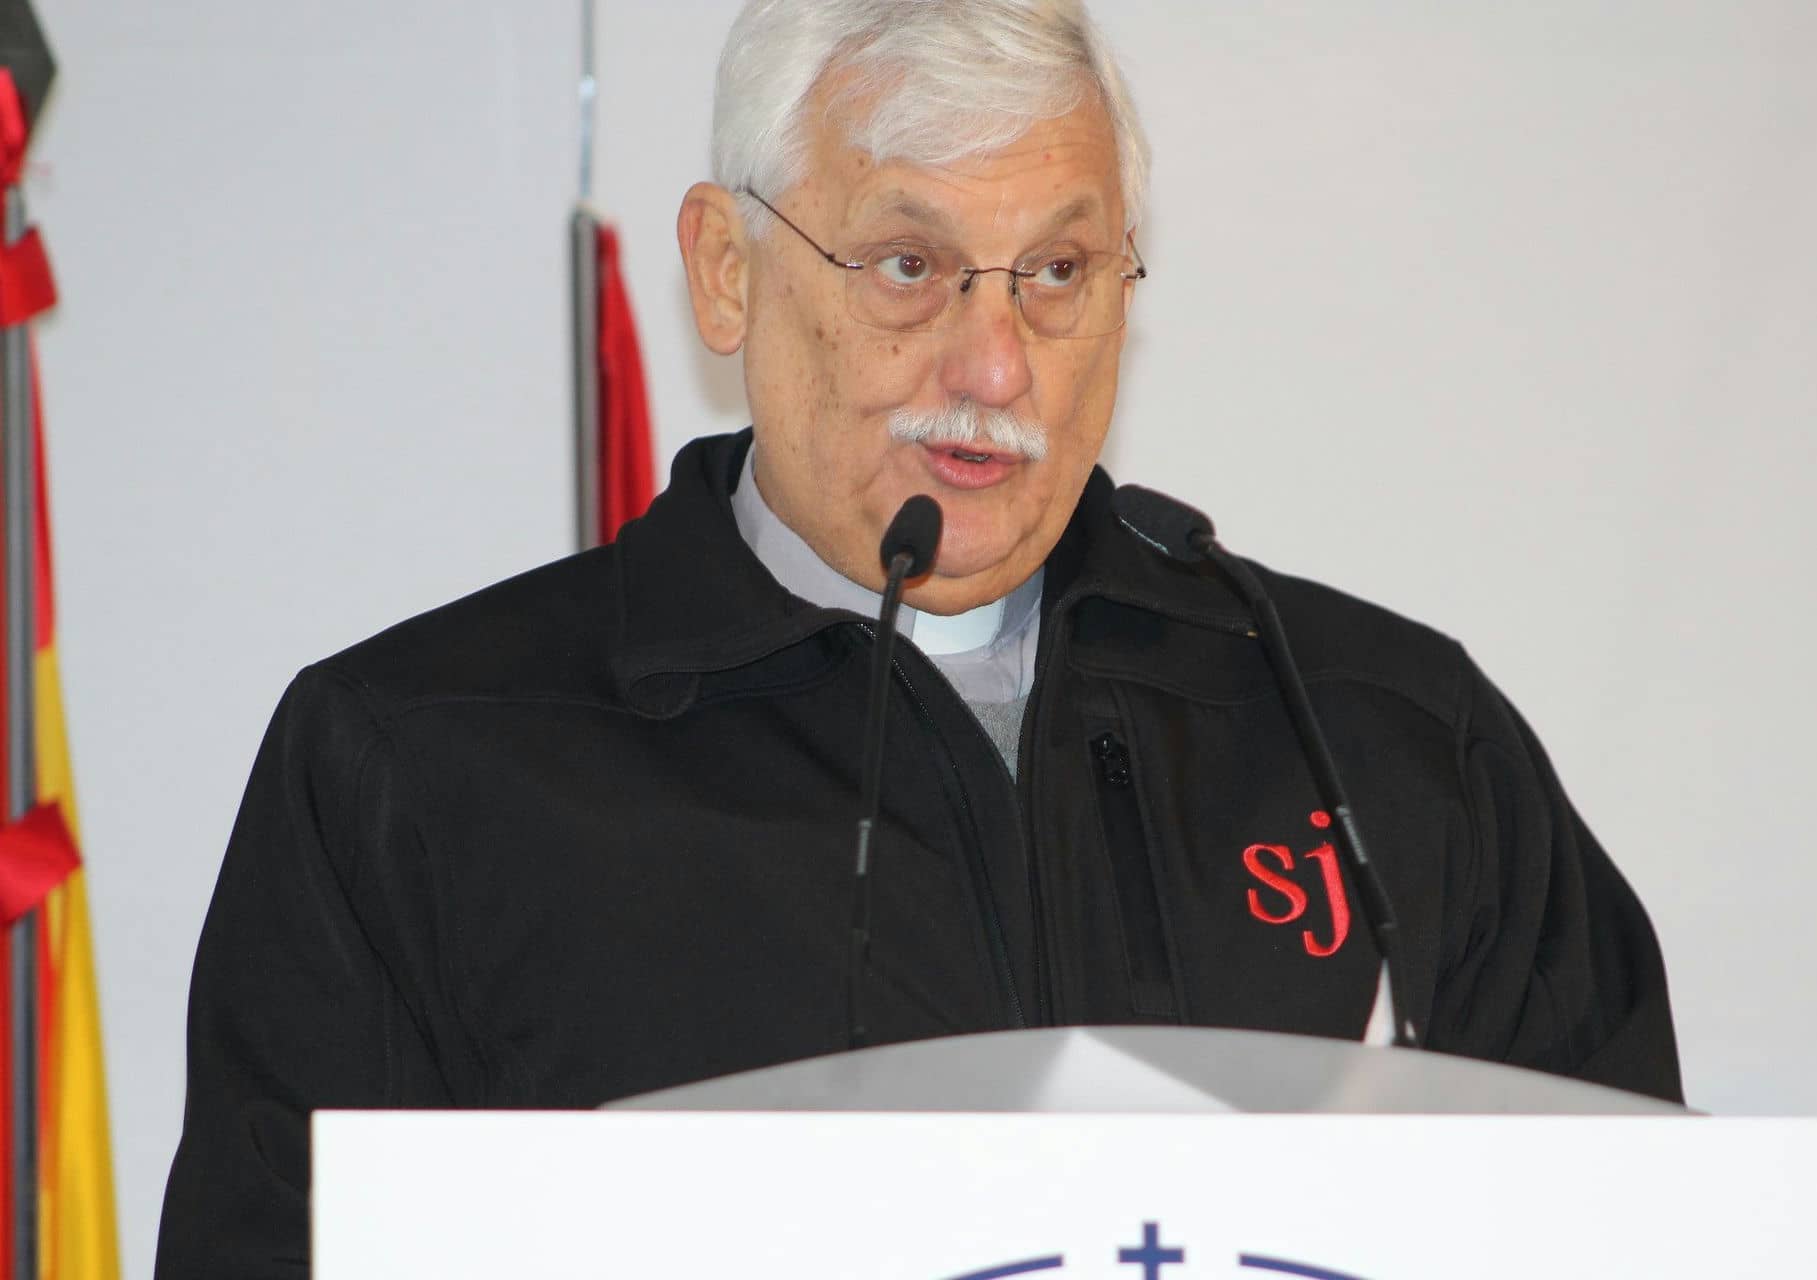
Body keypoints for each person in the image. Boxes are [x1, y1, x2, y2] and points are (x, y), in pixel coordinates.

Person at [157, 0, 1682, 1273]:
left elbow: (1651, 1236)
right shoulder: (423, 766)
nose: (996, 361)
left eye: (1059, 273)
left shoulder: (1381, 731)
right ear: (727, 270)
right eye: (908, 265)